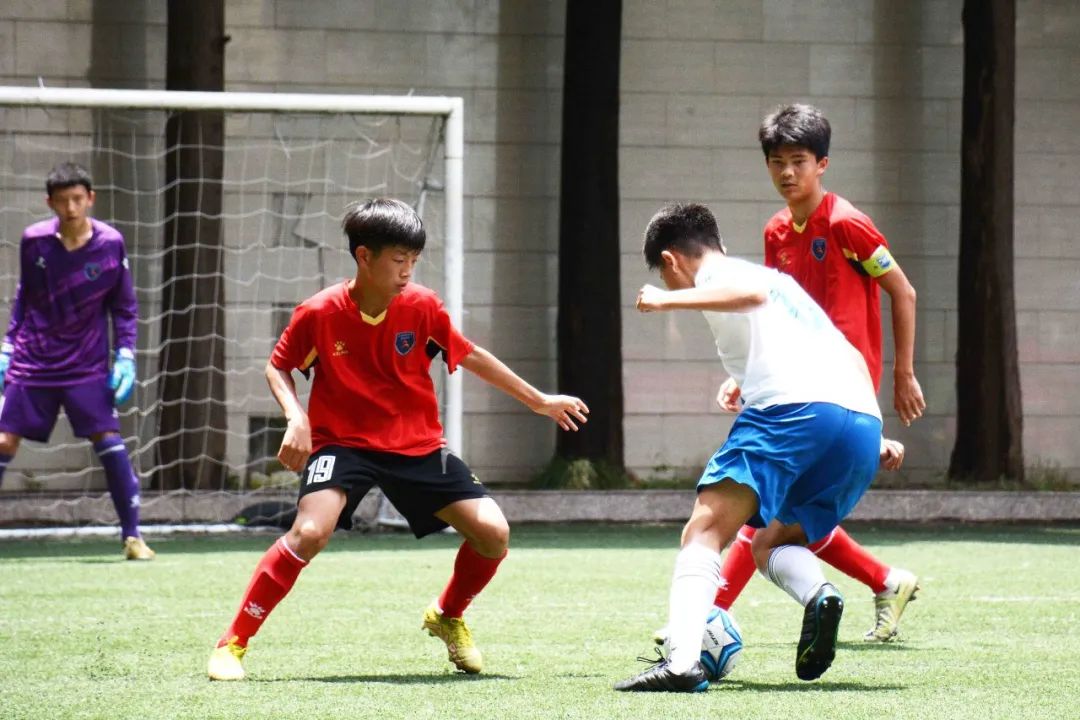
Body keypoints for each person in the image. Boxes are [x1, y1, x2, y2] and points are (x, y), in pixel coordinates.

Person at [207, 198, 589, 681]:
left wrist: (538, 400)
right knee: (310, 532)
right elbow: (277, 366)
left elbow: (469, 353)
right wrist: (295, 417)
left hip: (417, 445)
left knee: (493, 533)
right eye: (398, 259)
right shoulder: (318, 312)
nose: (408, 271)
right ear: (364, 256)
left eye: (414, 260)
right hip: (341, 444)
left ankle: (447, 615)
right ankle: (232, 643)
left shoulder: (422, 306)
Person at [615, 203, 903, 692]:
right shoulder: (782, 283)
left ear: (670, 261)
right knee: (771, 541)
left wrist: (665, 302)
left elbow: (748, 296)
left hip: (791, 413)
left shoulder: (721, 275)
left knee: (704, 530)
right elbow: (850, 355)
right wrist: (867, 432)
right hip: (858, 421)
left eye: (667, 278)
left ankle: (681, 664)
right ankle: (820, 595)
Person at [709, 104, 926, 642]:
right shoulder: (776, 231)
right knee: (784, 512)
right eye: (777, 162)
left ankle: (702, 617)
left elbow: (903, 291)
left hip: (841, 388)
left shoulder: (847, 224)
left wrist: (904, 374)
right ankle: (886, 580)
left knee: (763, 504)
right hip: (799, 383)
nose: (787, 172)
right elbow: (775, 310)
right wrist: (747, 372)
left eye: (799, 161)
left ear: (822, 163)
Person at [0, 162, 152, 560]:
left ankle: (133, 536)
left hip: (86, 363)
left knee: (108, 438)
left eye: (77, 199)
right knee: (3, 440)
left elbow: (124, 307)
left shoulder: (110, 243)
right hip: (33, 360)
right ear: (49, 202)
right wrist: (8, 346)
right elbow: (24, 298)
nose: (71, 207)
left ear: (90, 199)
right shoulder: (33, 240)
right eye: (62, 200)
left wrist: (125, 354)